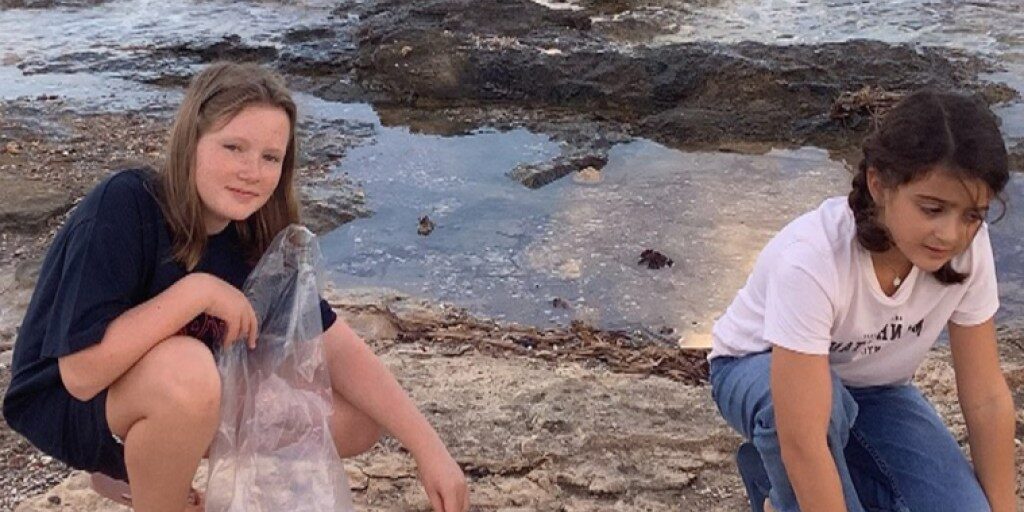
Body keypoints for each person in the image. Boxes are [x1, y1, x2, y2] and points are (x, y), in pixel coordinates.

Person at [2, 62, 468, 512]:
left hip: (170, 389)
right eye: (233, 148)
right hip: (68, 401)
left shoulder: (254, 236)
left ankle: (138, 465)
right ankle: (146, 480)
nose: (252, 171)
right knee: (188, 372)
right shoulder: (126, 204)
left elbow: (336, 346)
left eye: (270, 157)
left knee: (359, 417)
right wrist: (197, 293)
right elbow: (80, 374)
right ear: (191, 142)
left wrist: (429, 449)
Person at [708, 90, 1017, 512]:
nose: (950, 234)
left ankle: (780, 483)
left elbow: (986, 397)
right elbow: (802, 438)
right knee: (815, 419)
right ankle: (778, 488)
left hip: (875, 391)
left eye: (972, 215)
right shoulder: (813, 258)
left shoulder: (969, 249)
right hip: (759, 367)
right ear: (879, 185)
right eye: (932, 209)